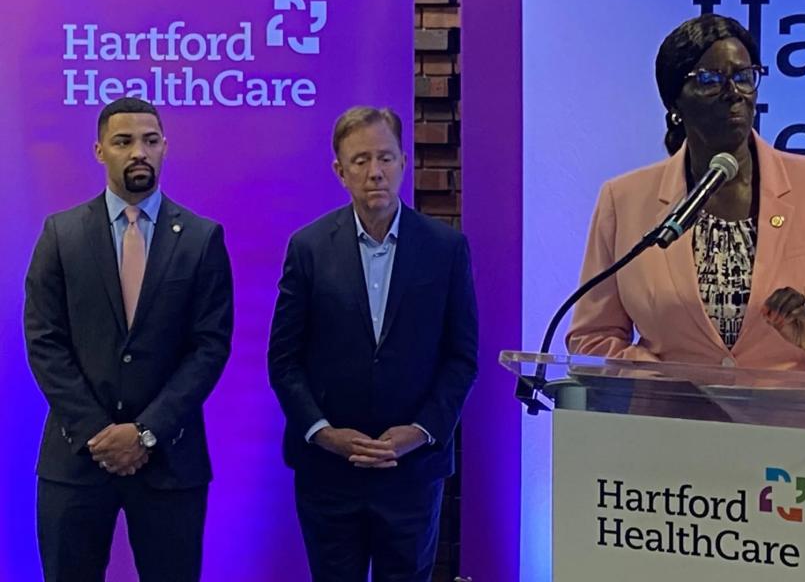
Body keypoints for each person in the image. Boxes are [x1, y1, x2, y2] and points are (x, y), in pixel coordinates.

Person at [566, 14, 805, 377]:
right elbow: (592, 338)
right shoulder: (624, 200)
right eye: (710, 80)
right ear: (674, 103)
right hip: (669, 426)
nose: (734, 93)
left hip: (796, 427)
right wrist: (656, 380)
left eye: (744, 77)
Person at [24, 97, 233, 582]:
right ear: (100, 151)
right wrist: (100, 434)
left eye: (150, 141)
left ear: (164, 148)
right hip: (76, 457)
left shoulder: (202, 239)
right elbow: (43, 340)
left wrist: (145, 433)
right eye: (123, 142)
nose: (138, 151)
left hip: (170, 459)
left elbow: (209, 347)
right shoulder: (61, 234)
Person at [268, 106, 478, 582]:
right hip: (329, 472)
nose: (375, 172)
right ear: (340, 172)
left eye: (385, 157)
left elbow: (461, 358)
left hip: (412, 471)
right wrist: (323, 432)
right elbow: (283, 359)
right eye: (360, 160)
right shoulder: (309, 247)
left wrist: (420, 431)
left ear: (404, 162)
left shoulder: (446, 249)